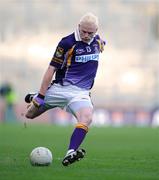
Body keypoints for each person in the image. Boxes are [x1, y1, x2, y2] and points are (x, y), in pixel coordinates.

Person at [24, 12, 105, 166]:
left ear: (96, 30)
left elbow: (100, 44)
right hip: (60, 88)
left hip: (80, 93)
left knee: (87, 117)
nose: (87, 35)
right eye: (84, 31)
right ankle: (35, 95)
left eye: (91, 33)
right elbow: (51, 69)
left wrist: (102, 42)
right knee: (30, 115)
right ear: (79, 26)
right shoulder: (67, 43)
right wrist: (41, 95)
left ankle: (71, 152)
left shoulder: (98, 41)